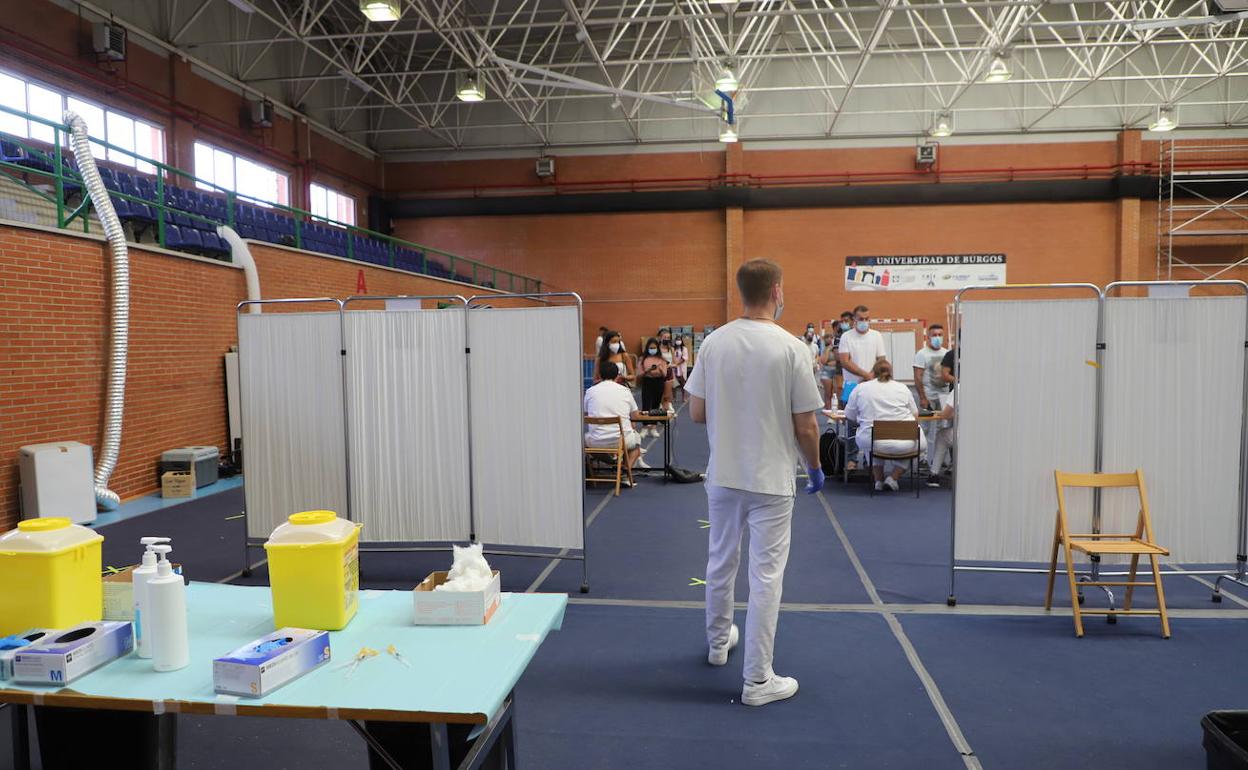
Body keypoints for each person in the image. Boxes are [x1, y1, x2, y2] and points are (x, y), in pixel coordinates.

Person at [686, 258, 824, 708]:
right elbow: (806, 425)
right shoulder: (792, 348)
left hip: (723, 474)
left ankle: (717, 641)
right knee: (765, 576)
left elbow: (697, 413)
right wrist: (816, 467)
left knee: (720, 558)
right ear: (778, 292)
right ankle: (758, 679)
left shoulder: (714, 343)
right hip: (770, 479)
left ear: (741, 292)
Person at [844, 359, 926, 493]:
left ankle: (878, 481)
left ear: (873, 373)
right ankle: (893, 478)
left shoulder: (861, 388)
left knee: (868, 438)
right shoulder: (902, 388)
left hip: (873, 440)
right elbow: (915, 415)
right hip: (904, 441)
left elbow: (850, 415)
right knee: (914, 441)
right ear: (891, 373)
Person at [837, 305, 887, 468]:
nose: (864, 322)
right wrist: (865, 375)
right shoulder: (846, 337)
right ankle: (852, 458)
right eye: (861, 319)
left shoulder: (876, 336)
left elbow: (881, 360)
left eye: (867, 319)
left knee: (871, 423)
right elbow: (845, 361)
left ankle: (869, 459)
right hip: (852, 386)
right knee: (851, 423)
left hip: (872, 387)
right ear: (854, 320)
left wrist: (871, 376)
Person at [584, 360, 649, 475]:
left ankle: (612, 464)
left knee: (585, 442)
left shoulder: (590, 391)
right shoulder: (625, 391)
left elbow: (586, 414)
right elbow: (635, 416)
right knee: (636, 447)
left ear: (599, 375)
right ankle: (624, 470)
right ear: (618, 376)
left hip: (596, 440)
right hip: (621, 440)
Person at [912, 324, 949, 465]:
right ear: (928, 337)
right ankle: (922, 458)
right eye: (934, 335)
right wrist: (922, 397)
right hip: (928, 396)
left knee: (943, 427)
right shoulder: (922, 354)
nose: (937, 338)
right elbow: (917, 376)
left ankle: (940, 460)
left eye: (940, 335)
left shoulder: (947, 353)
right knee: (925, 428)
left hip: (944, 396)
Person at [637, 336, 672, 437]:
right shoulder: (643, 359)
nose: (652, 349)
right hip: (647, 381)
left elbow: (665, 374)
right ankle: (644, 428)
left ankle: (653, 427)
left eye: (654, 347)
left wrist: (660, 369)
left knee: (656, 405)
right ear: (647, 348)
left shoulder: (662, 359)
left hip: (659, 382)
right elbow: (639, 374)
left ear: (657, 347)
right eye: (650, 348)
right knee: (646, 404)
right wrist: (647, 371)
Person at [927, 389, 956, 487]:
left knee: (941, 435)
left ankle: (934, 474)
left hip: (963, 435)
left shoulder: (959, 389)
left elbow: (946, 414)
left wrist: (942, 413)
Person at [818, 332, 839, 410]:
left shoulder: (836, 348)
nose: (829, 339)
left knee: (836, 393)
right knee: (828, 394)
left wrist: (833, 362)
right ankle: (828, 411)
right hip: (826, 373)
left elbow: (839, 360)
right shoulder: (824, 349)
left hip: (836, 372)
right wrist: (828, 349)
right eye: (827, 338)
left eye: (830, 337)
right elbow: (823, 361)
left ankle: (835, 410)